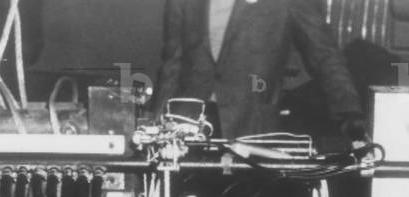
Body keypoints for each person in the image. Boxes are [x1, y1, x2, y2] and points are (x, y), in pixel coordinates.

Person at [153, 0, 365, 140]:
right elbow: (173, 61)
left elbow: (325, 54)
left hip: (252, 127)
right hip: (187, 127)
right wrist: (157, 119)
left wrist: (350, 113)